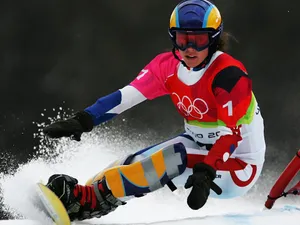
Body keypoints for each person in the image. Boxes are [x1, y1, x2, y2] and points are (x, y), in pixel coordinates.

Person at [43, 0, 266, 221]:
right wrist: (85, 119)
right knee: (133, 162)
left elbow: (231, 135)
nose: (190, 48)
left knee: (171, 159)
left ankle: (87, 200)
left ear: (214, 38)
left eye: (198, 40)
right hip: (198, 145)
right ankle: (85, 198)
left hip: (238, 165)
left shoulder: (229, 75)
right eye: (182, 39)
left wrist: (207, 171)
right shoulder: (167, 66)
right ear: (173, 37)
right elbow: (126, 96)